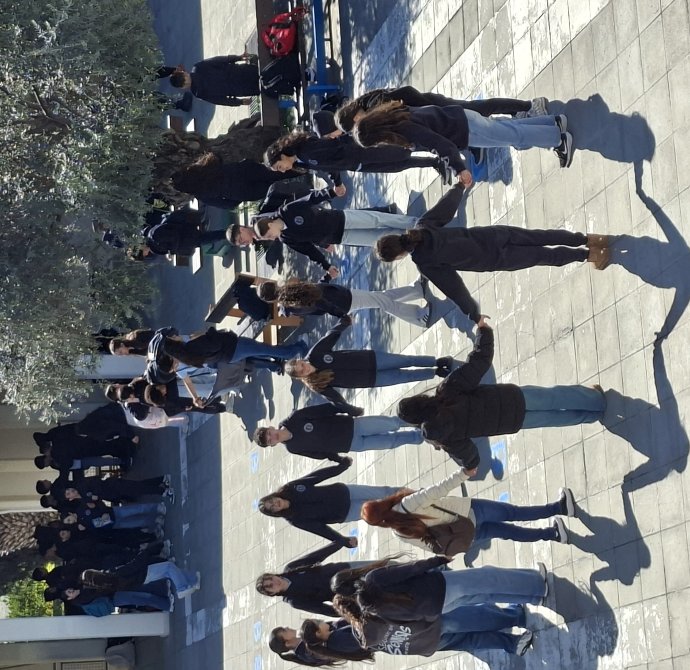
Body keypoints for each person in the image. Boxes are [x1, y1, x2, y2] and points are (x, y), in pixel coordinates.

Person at [374, 184, 611, 323]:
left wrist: (473, 314)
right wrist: (459, 186)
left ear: (398, 257)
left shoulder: (424, 262)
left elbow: (454, 288)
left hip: (494, 259)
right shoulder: (422, 228)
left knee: (544, 256)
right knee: (541, 236)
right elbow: (445, 208)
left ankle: (589, 255)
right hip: (493, 235)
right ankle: (590, 239)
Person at [397, 321, 607, 468]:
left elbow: (471, 458)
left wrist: (465, 465)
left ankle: (591, 416)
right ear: (419, 399)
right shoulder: (446, 390)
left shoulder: (441, 435)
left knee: (552, 419)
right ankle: (595, 400)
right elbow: (479, 362)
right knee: (554, 397)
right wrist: (483, 331)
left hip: (509, 423)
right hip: (510, 398)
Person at [361, 467, 576, 550]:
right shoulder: (407, 504)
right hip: (468, 511)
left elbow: (429, 546)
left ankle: (553, 534)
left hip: (465, 534)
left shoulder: (399, 533)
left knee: (509, 532)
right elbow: (438, 489)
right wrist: (464, 473)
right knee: (513, 513)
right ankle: (559, 507)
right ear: (380, 503)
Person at [226, 187, 418, 276]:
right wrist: (326, 265)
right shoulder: (286, 238)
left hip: (339, 219)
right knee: (375, 239)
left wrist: (331, 192)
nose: (271, 239)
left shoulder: (287, 211)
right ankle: (406, 241)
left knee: (376, 219)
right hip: (339, 236)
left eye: (268, 235)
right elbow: (308, 250)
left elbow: (310, 199)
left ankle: (413, 222)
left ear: (270, 225)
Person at [351, 100, 574, 176]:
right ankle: (552, 123)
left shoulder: (404, 130)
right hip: (461, 118)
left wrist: (459, 168)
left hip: (465, 131)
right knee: (510, 129)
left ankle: (558, 139)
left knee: (514, 136)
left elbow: (438, 143)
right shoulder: (394, 112)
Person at [284, 314, 453, 415]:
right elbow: (336, 399)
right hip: (370, 379)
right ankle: (435, 372)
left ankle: (436, 361)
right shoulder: (316, 384)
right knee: (405, 376)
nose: (304, 368)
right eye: (301, 371)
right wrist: (350, 410)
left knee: (407, 360)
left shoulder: (315, 354)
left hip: (370, 359)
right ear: (300, 377)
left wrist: (344, 323)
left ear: (300, 360)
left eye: (301, 364)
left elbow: (330, 336)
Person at [258, 459, 401, 548]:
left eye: (271, 501)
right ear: (275, 513)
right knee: (381, 512)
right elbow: (321, 530)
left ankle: (410, 494)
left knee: (384, 492)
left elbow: (317, 476)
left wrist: (341, 467)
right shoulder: (295, 519)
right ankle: (407, 510)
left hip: (345, 492)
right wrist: (343, 540)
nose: (275, 504)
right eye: (272, 508)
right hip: (346, 512)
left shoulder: (290, 488)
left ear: (273, 496)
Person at [263, 128, 448, 185]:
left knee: (401, 151)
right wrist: (337, 182)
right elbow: (328, 166)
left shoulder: (306, 150)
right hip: (358, 164)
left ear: (281, 155)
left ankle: (440, 147)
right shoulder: (302, 162)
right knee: (397, 165)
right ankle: (434, 162)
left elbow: (335, 147)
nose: (283, 170)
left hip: (360, 151)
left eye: (279, 166)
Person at [333, 86, 547, 133]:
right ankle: (518, 111)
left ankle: (528, 106)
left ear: (355, 117)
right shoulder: (369, 106)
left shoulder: (376, 103)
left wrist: (429, 108)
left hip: (436, 107)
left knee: (480, 109)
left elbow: (408, 92)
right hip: (434, 110)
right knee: (478, 113)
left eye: (355, 126)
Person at [253, 403, 424, 461]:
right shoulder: (293, 448)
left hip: (353, 426)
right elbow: (319, 454)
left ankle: (420, 420)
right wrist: (338, 459)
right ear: (273, 445)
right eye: (270, 441)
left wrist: (349, 410)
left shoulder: (296, 418)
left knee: (392, 423)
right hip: (352, 445)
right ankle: (422, 436)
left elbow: (325, 409)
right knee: (390, 442)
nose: (272, 437)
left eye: (269, 434)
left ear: (271, 428)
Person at [256, 541, 373, 617]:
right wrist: (351, 611)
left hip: (344, 569)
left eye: (271, 578)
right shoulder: (294, 600)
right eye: (270, 586)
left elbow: (316, 556)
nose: (274, 582)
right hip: (348, 590)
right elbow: (323, 609)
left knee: (379, 567)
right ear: (272, 593)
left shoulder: (290, 569)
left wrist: (341, 542)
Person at [257, 277, 431, 327]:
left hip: (343, 297)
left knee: (380, 296)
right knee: (382, 301)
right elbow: (320, 303)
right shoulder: (292, 300)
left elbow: (316, 291)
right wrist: (343, 316)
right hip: (344, 301)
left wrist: (326, 278)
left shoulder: (289, 298)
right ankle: (417, 317)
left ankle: (416, 290)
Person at [172, 153, 302, 209]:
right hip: (242, 171)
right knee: (278, 171)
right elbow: (216, 158)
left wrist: (237, 197)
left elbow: (227, 205)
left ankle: (303, 189)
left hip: (243, 192)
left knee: (276, 188)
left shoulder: (202, 195)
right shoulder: (200, 168)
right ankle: (303, 165)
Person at [169, 54, 259, 107]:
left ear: (183, 87)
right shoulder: (197, 67)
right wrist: (238, 57)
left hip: (239, 89)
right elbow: (218, 60)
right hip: (239, 72)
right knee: (261, 72)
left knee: (262, 87)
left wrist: (240, 102)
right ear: (183, 73)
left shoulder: (198, 93)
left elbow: (220, 100)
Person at [142, 208, 228, 257]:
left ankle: (226, 234)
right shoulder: (153, 238)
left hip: (185, 238)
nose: (145, 255)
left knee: (206, 238)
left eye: (143, 253)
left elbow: (172, 236)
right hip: (185, 236)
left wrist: (172, 250)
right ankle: (225, 234)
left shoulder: (154, 237)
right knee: (206, 238)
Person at [268, 626, 338, 667]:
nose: (287, 627)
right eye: (284, 630)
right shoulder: (306, 652)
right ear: (288, 643)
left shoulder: (303, 639)